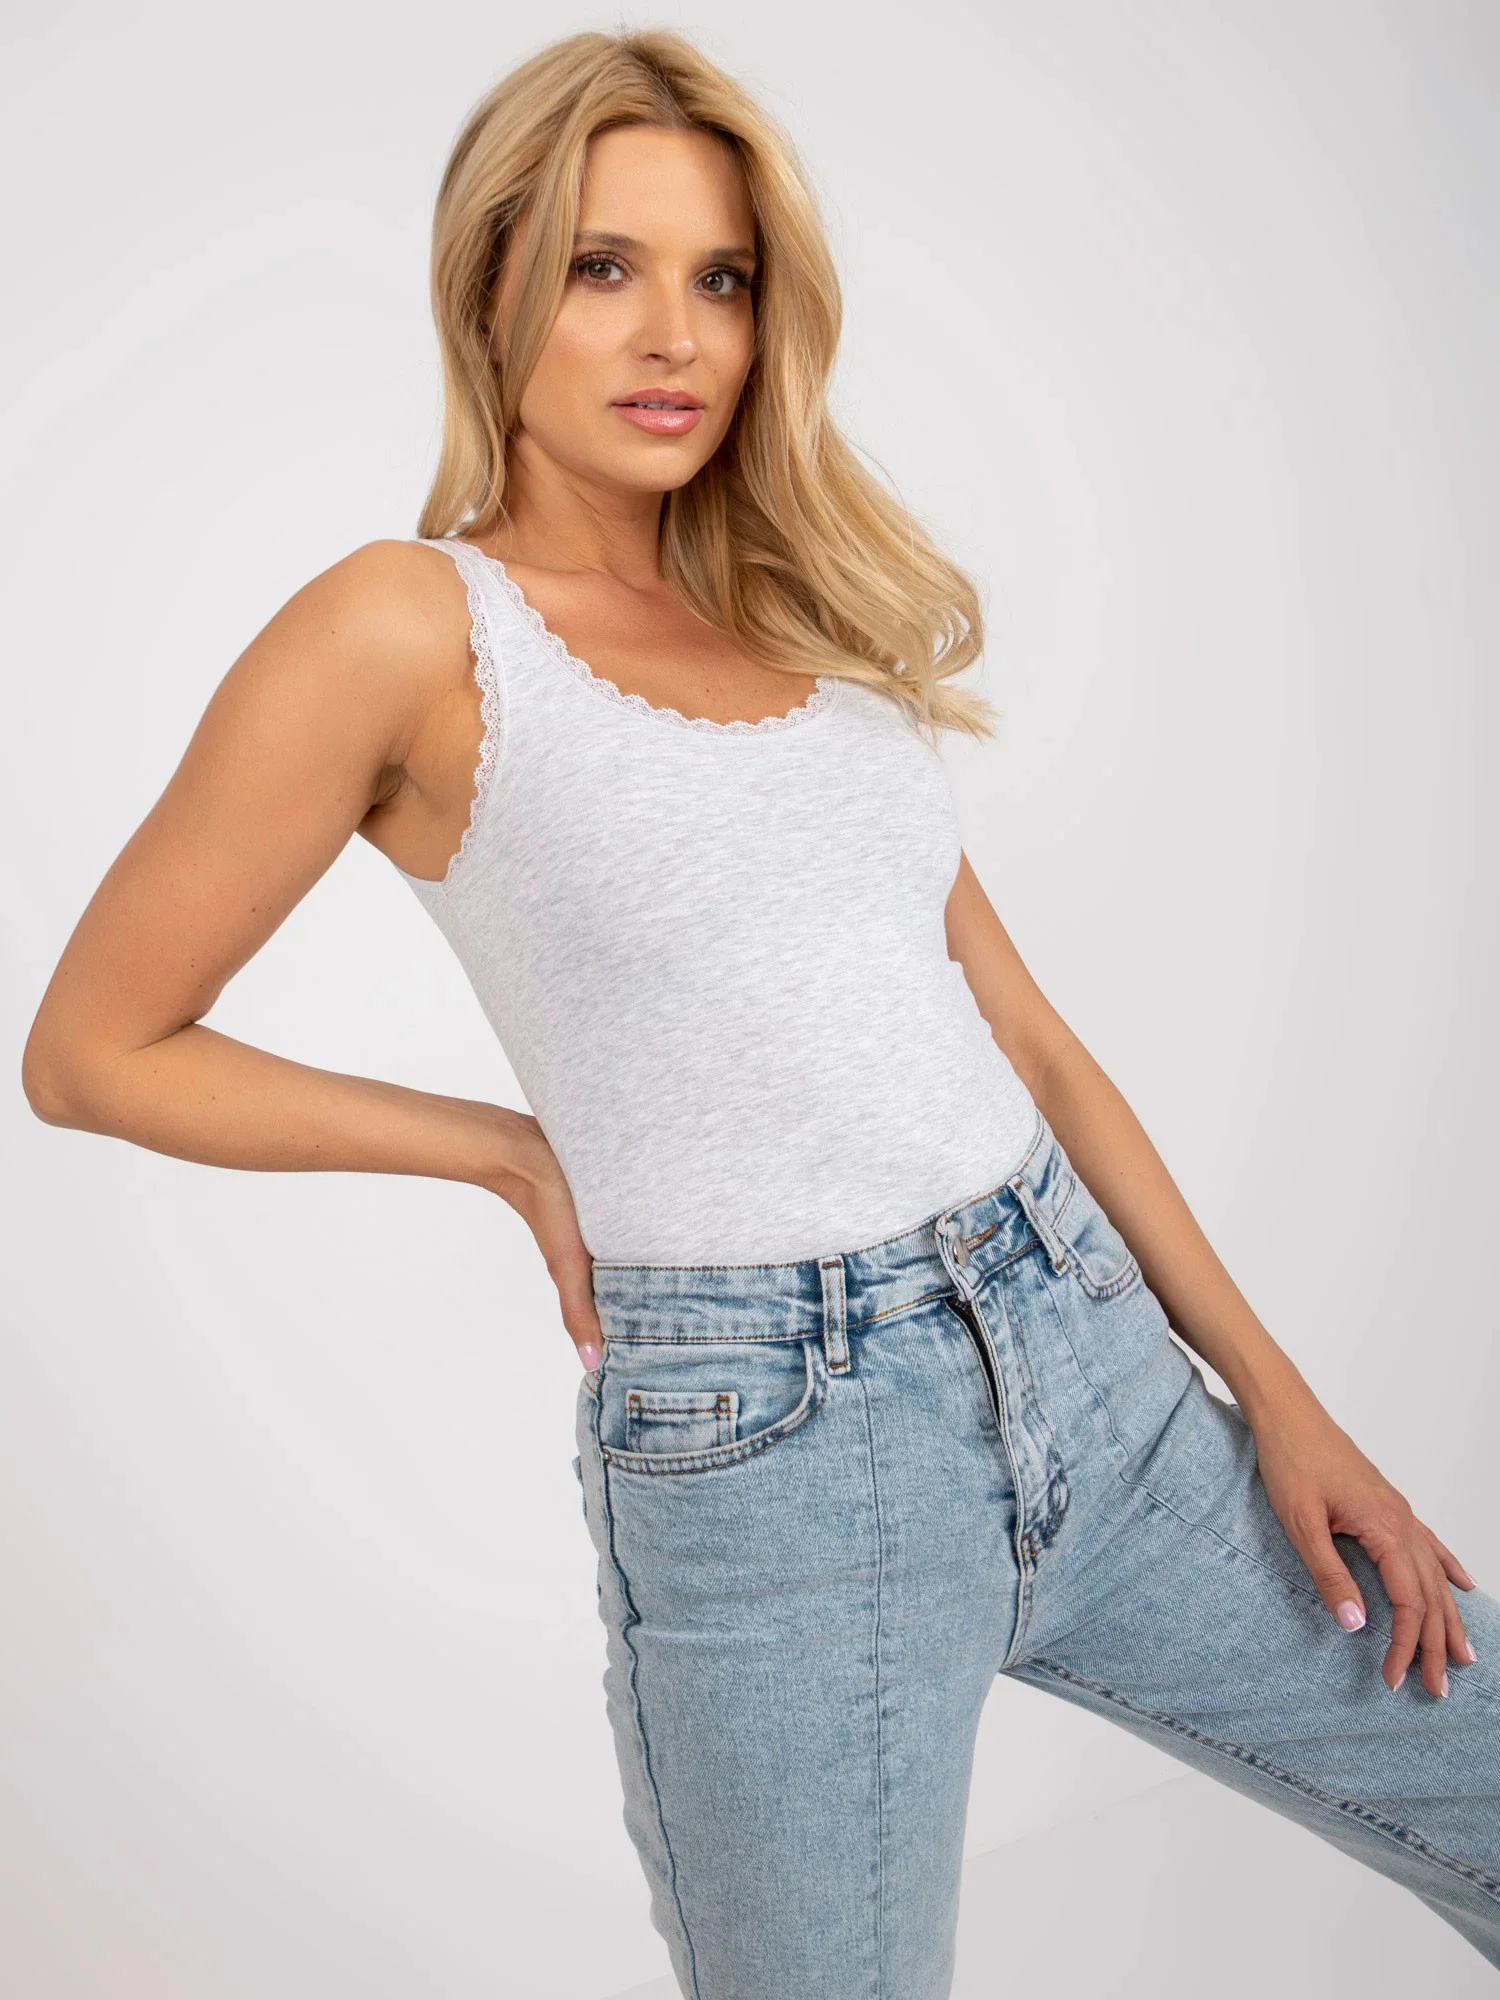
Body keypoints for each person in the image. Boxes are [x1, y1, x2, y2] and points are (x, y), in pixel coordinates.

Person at [21, 27, 1498, 1997]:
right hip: (780, 1465)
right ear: (490, 288)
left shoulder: (794, 609)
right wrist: (505, 1152)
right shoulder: (405, 626)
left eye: (721, 278)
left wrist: (1288, 1410)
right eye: (604, 267)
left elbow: (1031, 1041)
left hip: (1094, 1363)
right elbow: (92, 1050)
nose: (676, 336)